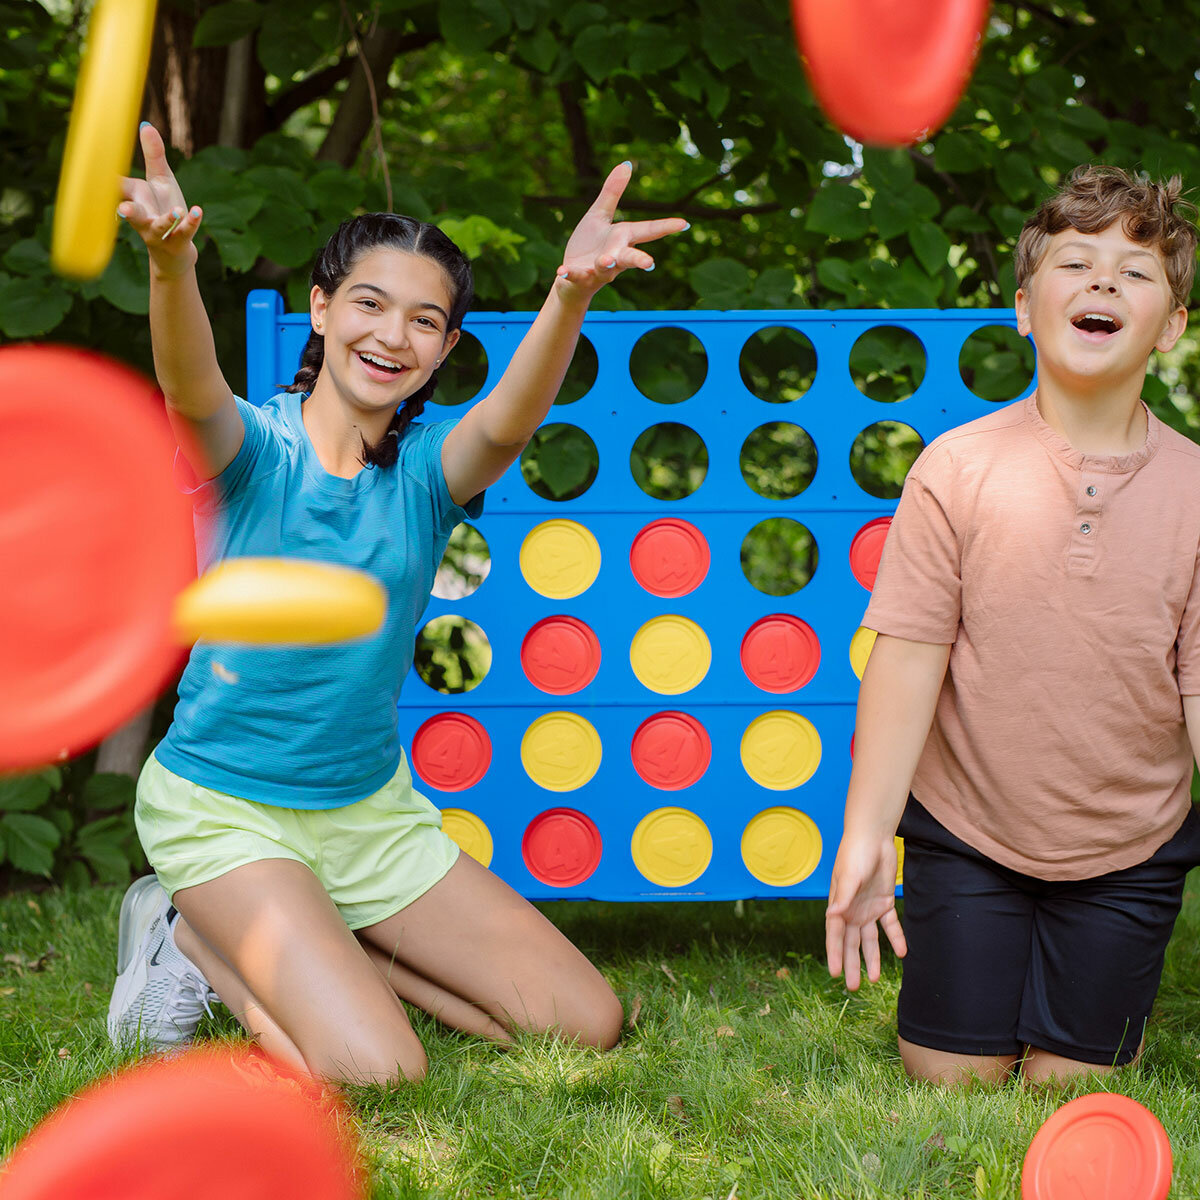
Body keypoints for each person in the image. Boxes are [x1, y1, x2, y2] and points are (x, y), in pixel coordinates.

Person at [107, 122, 687, 1084]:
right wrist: (173, 265)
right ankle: (190, 936)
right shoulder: (253, 453)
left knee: (582, 1022)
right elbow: (186, 382)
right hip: (224, 810)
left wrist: (569, 293)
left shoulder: (426, 473)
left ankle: (312, 941)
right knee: (381, 1073)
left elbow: (509, 420)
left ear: (447, 346)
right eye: (370, 304)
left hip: (368, 815)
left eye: (425, 320)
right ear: (322, 308)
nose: (392, 335)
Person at [825, 165, 1200, 1086]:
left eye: (1135, 271)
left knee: (1070, 1087)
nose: (1104, 281)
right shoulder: (956, 468)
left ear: (1174, 326)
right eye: (1077, 263)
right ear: (1027, 309)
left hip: (1129, 846)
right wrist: (866, 833)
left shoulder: (1196, 488)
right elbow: (907, 662)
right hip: (969, 830)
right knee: (952, 1078)